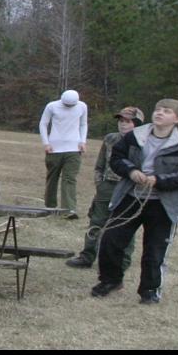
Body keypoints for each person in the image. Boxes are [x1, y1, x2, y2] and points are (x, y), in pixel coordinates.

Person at [94, 99, 178, 305]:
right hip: (131, 197)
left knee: (154, 250)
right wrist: (131, 171)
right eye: (158, 109)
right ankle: (110, 281)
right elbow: (116, 158)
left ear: (177, 119)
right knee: (111, 240)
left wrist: (159, 180)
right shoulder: (135, 135)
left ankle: (149, 290)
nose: (159, 113)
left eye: (166, 111)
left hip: (163, 204)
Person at [67, 105, 143, 269]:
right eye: (121, 121)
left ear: (137, 124)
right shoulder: (110, 139)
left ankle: (122, 261)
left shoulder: (143, 142)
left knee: (125, 225)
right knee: (96, 221)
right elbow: (100, 165)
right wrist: (100, 184)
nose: (123, 124)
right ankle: (87, 256)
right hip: (107, 186)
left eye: (128, 121)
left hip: (129, 189)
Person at [39, 89, 88, 217]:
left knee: (70, 178)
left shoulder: (82, 106)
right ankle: (50, 206)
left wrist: (82, 141)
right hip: (54, 149)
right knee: (52, 178)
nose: (69, 107)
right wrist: (46, 143)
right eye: (66, 105)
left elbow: (83, 124)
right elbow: (43, 124)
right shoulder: (52, 106)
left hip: (74, 149)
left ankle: (69, 209)